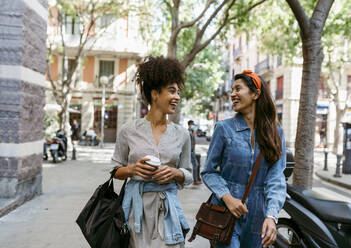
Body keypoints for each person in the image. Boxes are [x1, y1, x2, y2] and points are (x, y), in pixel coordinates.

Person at [111, 56, 193, 248]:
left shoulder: (182, 134)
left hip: (169, 210)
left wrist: (176, 173)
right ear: (155, 94)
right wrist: (133, 170)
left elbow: (189, 174)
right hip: (135, 211)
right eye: (172, 91)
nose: (177, 97)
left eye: (178, 92)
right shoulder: (128, 130)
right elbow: (115, 170)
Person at [201, 70, 287, 248]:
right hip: (226, 211)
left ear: (255, 94)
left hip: (258, 215)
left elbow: (276, 177)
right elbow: (208, 171)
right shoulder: (224, 129)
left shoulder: (275, 132)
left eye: (238, 89)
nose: (233, 94)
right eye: (232, 90)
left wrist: (271, 215)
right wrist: (227, 197)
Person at [188, 120, 202, 185]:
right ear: (190, 124)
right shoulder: (189, 132)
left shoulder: (191, 132)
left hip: (191, 150)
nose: (194, 125)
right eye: (193, 124)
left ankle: (196, 179)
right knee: (195, 165)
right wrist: (191, 150)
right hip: (190, 151)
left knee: (195, 165)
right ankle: (195, 180)